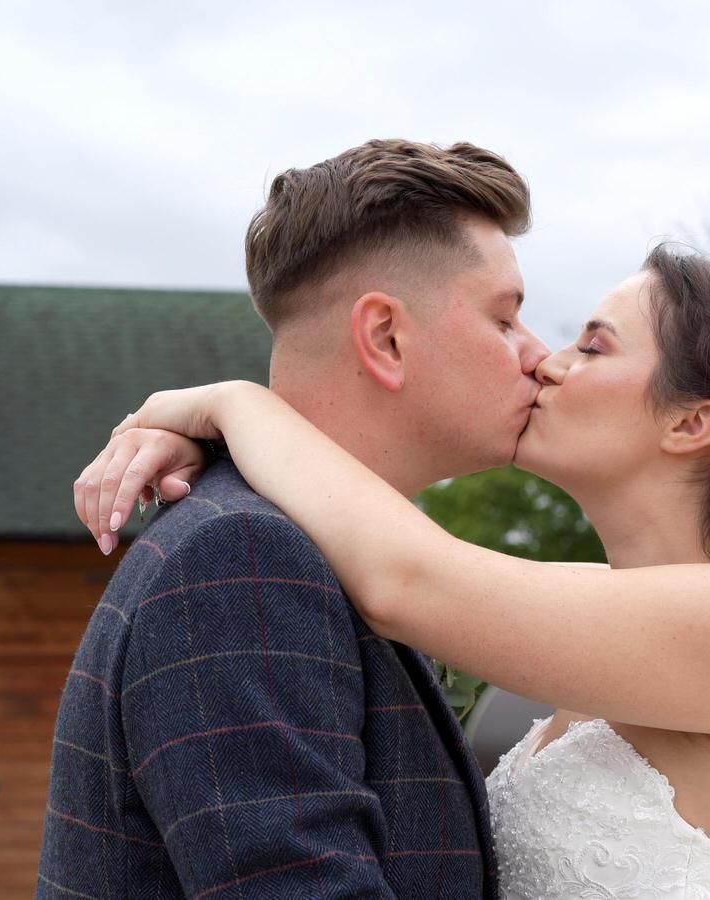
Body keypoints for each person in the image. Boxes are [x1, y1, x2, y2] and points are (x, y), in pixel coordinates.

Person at [73, 248, 710, 898]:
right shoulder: (585, 625)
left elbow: (406, 579)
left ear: (691, 422)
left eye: (593, 347)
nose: (546, 362)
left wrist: (236, 403)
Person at [39, 139, 551, 899]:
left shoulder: (289, 547)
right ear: (385, 338)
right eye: (504, 319)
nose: (538, 355)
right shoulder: (241, 558)